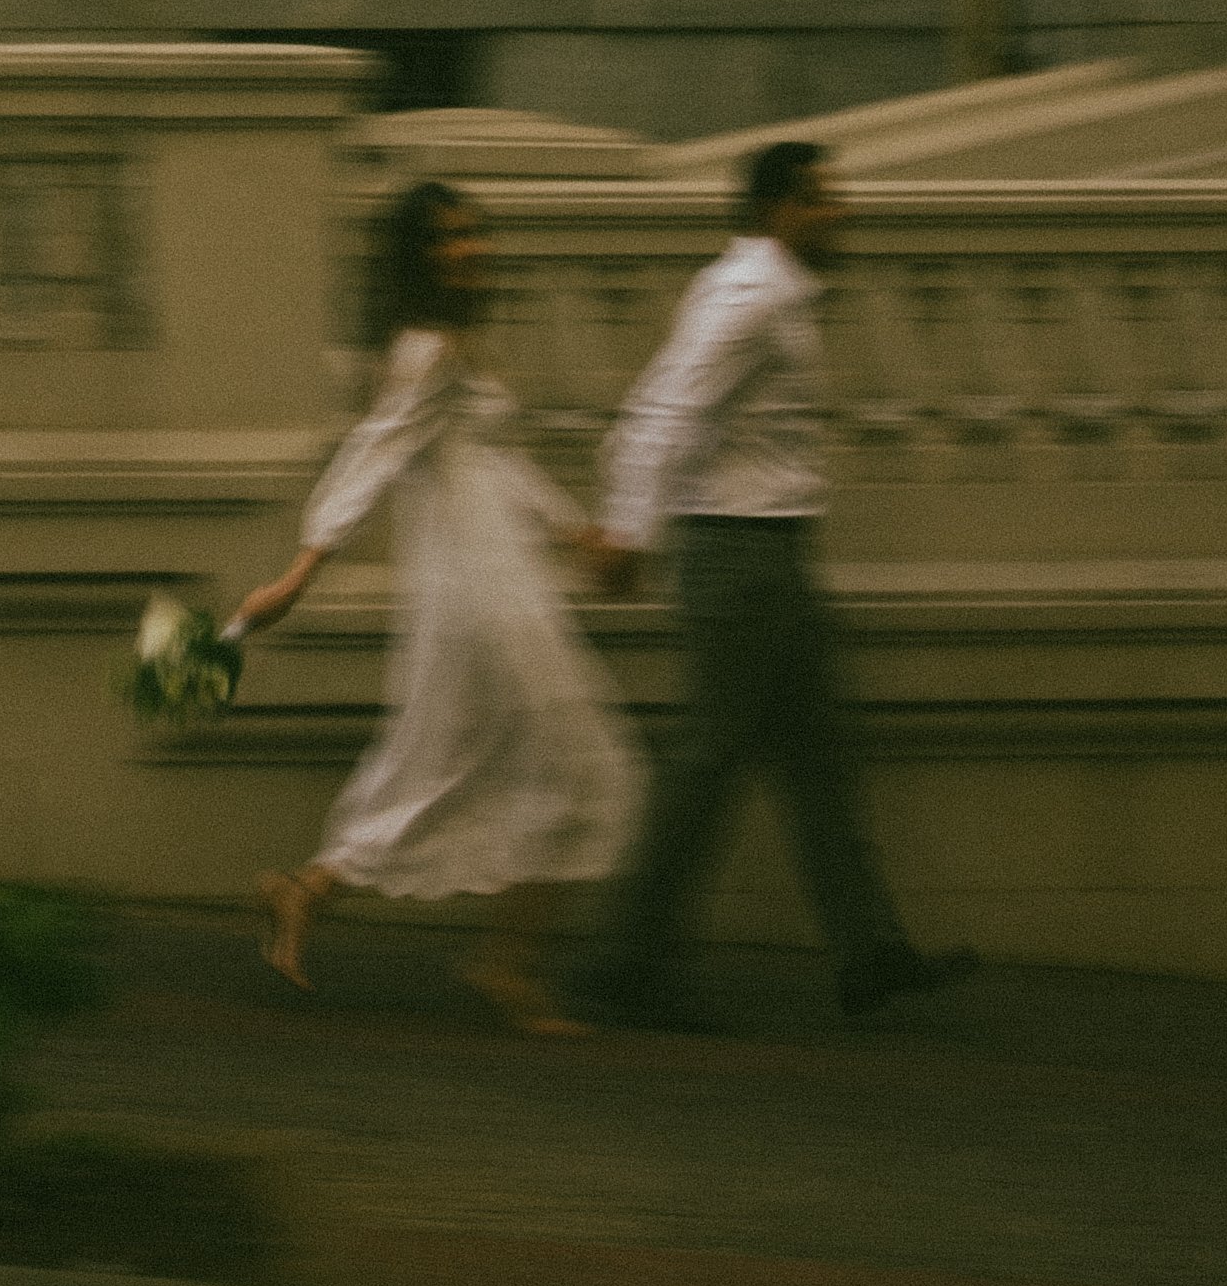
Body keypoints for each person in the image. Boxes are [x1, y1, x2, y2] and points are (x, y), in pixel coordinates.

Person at [575, 138, 976, 1030]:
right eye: (822, 198)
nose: (841, 211)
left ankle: (869, 952)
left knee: (819, 758)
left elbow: (656, 399)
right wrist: (627, 528)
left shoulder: (760, 290)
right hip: (740, 556)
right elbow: (672, 411)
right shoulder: (753, 297)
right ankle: (620, 961)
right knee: (711, 759)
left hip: (770, 556)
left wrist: (632, 517)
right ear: (777, 210)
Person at [226, 180, 641, 1037]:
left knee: (455, 756)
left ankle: (309, 889)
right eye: (451, 239)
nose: (471, 249)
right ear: (417, 259)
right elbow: (372, 455)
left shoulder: (450, 345)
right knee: (578, 763)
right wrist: (301, 570)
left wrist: (576, 534)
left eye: (474, 234)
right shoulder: (424, 350)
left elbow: (492, 466)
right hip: (481, 588)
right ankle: (506, 965)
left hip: (500, 578)